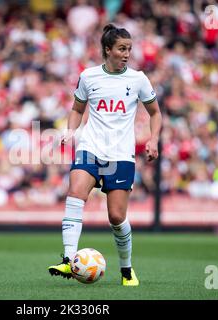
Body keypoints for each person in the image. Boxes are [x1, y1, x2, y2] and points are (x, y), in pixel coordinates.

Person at [48, 24, 162, 286]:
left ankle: (126, 270)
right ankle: (67, 260)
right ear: (107, 49)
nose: (126, 54)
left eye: (129, 49)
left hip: (120, 155)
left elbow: (155, 113)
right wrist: (69, 131)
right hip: (90, 147)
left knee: (116, 217)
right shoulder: (88, 77)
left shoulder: (138, 79)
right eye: (122, 49)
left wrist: (154, 138)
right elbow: (77, 109)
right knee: (75, 192)